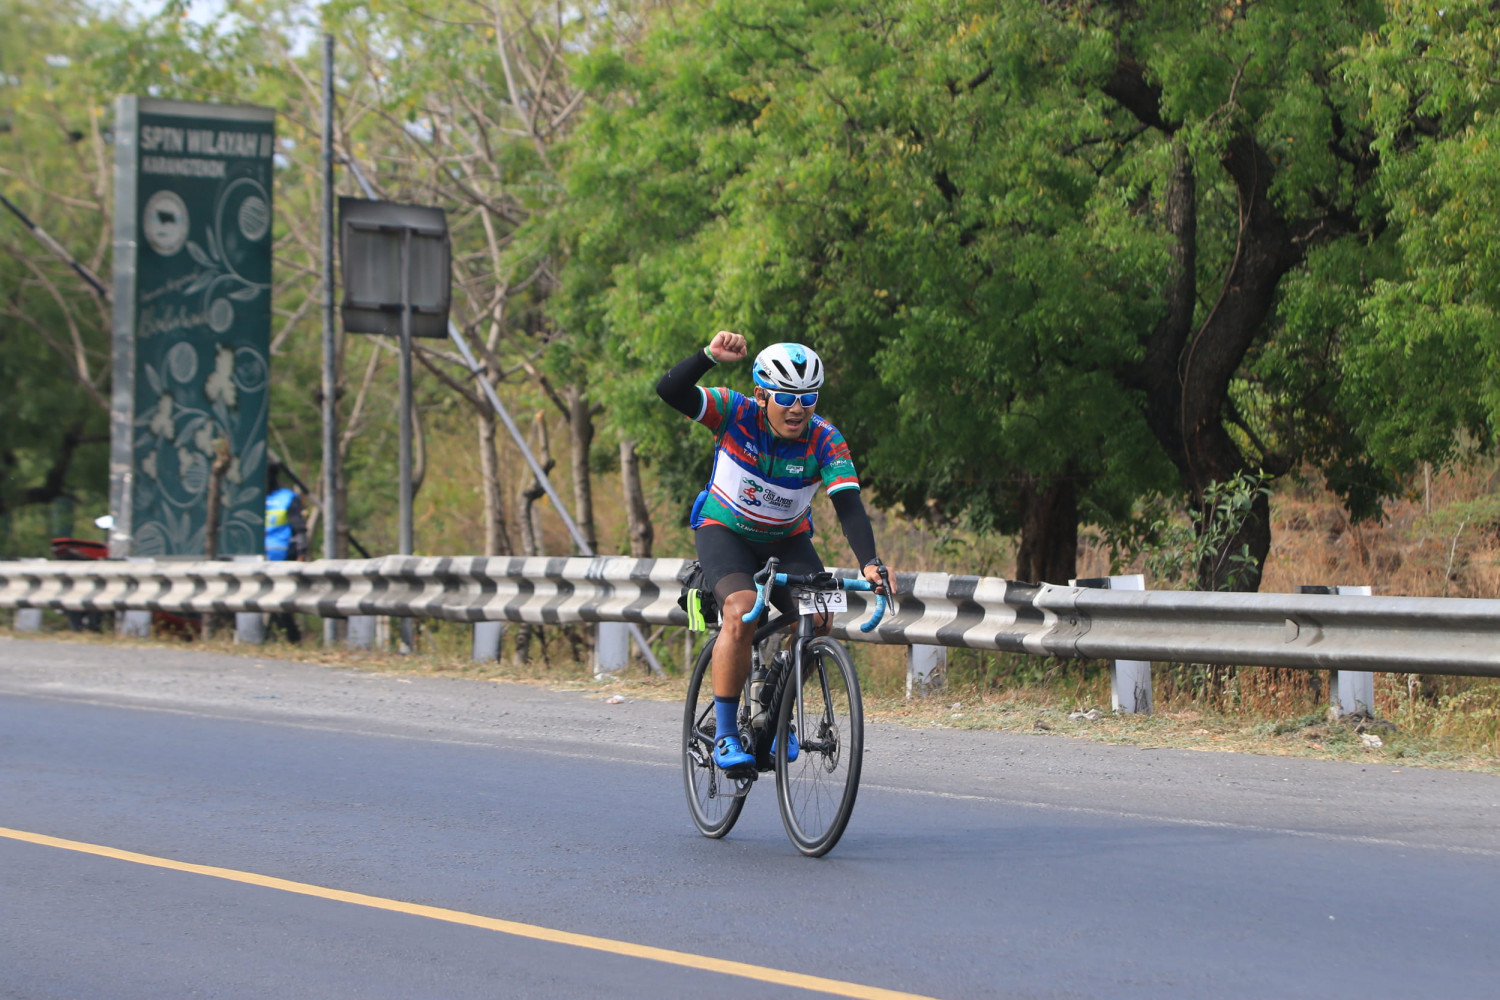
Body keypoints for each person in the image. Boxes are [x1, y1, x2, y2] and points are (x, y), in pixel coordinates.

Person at [657, 331, 896, 773]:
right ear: (761, 395)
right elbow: (669, 391)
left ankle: (775, 708)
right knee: (742, 611)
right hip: (724, 530)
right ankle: (726, 735)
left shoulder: (825, 438)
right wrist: (709, 356)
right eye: (785, 397)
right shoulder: (735, 412)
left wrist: (870, 562)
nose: (797, 409)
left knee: (820, 617)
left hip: (786, 539)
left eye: (808, 398)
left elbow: (849, 505)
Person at [264, 461, 308, 643]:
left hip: (284, 557)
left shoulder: (287, 498)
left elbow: (299, 528)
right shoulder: (252, 498)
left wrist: (301, 553)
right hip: (258, 559)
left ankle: (291, 638)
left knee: (280, 600)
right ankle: (275, 636)